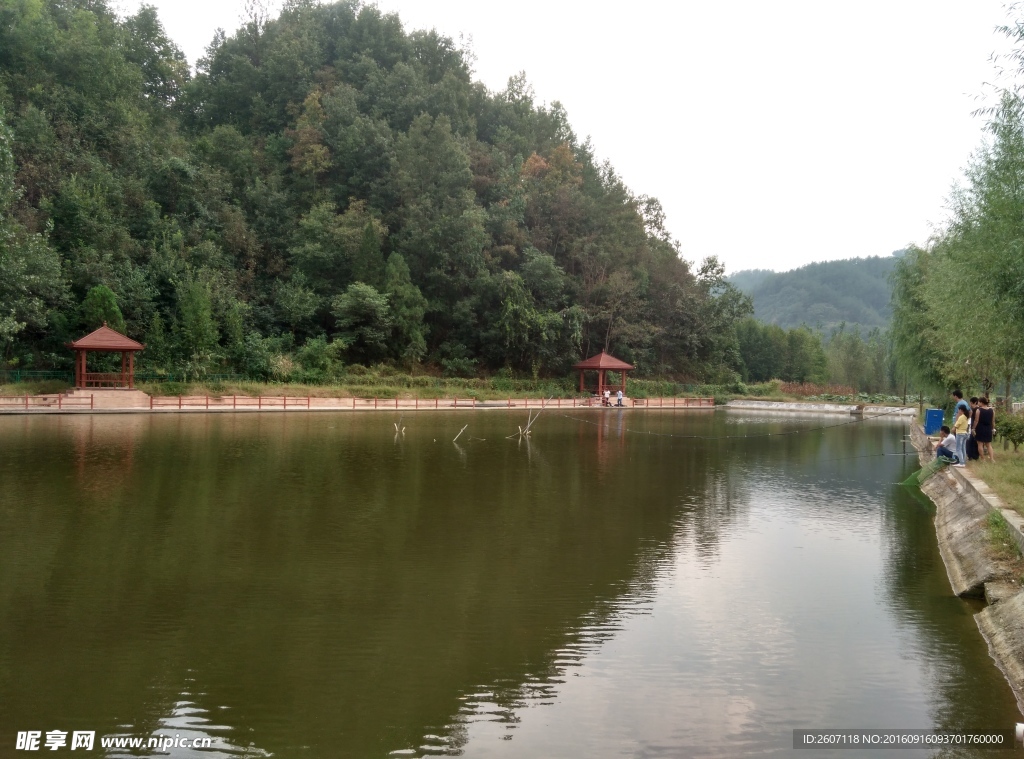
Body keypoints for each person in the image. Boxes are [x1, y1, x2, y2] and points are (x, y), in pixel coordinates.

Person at [974, 397, 996, 462]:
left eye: (978, 402)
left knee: (980, 444)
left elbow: (976, 420)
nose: (978, 403)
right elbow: (993, 421)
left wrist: (973, 428)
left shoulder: (979, 410)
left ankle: (983, 459)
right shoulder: (992, 410)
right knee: (988, 444)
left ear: (981, 402)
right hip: (988, 428)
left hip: (980, 428)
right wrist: (993, 428)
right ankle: (992, 459)